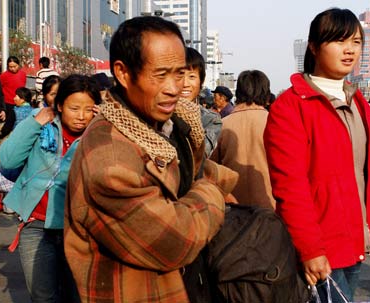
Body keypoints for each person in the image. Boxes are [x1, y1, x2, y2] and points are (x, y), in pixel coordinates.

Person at [64, 16, 238, 303]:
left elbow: (194, 172)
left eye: (180, 73)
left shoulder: (173, 124)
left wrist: (206, 183)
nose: (175, 87)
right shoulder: (109, 157)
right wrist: (213, 190)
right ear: (123, 72)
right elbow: (176, 241)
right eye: (160, 75)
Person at [264, 8, 370, 302]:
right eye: (339, 41)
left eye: (356, 42)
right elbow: (290, 187)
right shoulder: (291, 106)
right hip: (320, 249)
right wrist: (310, 249)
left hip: (355, 242)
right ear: (313, 46)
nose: (349, 50)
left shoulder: (358, 102)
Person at [0, 74, 102, 302]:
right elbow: (7, 160)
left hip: (78, 230)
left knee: (77, 297)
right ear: (61, 105)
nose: (81, 117)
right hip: (36, 226)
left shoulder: (99, 134)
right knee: (43, 296)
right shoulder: (40, 122)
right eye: (75, 108)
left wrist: (101, 130)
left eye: (88, 109)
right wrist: (35, 123)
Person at [211, 70, 275, 209]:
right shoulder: (276, 124)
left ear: (238, 93)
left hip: (232, 210)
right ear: (266, 94)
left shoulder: (222, 125)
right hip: (270, 207)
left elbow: (211, 170)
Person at [182, 47, 222, 157]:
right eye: (179, 75)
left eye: (191, 76)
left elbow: (200, 154)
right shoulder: (159, 112)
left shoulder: (211, 119)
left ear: (201, 81)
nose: (185, 83)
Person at [0, 56, 27, 138]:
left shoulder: (23, 74)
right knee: (8, 125)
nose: (13, 69)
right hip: (8, 104)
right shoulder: (4, 76)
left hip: (20, 104)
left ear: (18, 65)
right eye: (10, 67)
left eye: (14, 66)